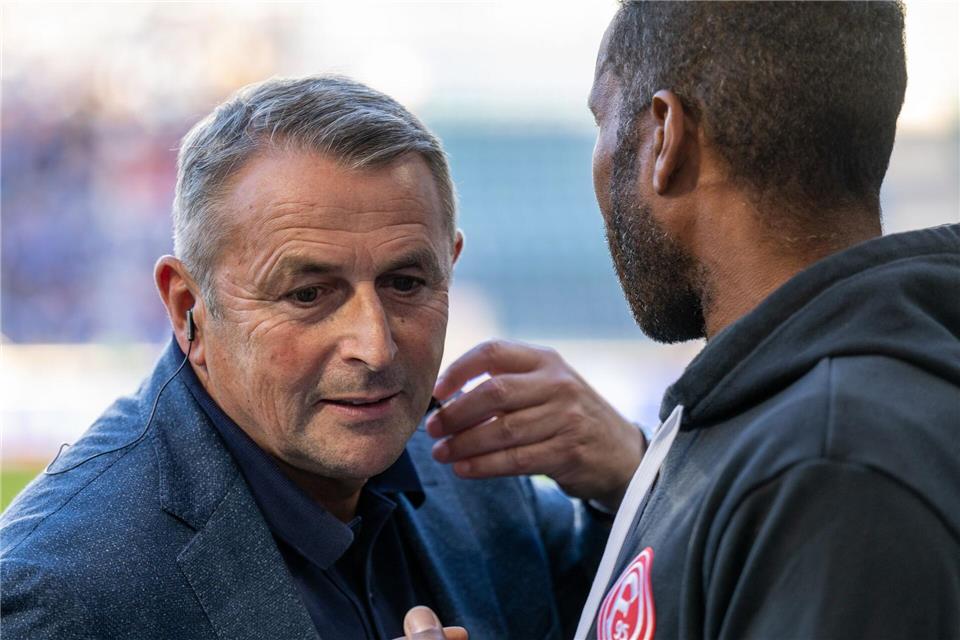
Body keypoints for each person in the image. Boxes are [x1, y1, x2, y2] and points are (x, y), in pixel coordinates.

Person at [0, 76, 645, 640]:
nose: (375, 346)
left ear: (451, 266)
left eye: (406, 284)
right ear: (186, 307)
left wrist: (632, 478)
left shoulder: (476, 474)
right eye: (308, 294)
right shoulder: (57, 589)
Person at [413, 2, 960, 639]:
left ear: (665, 136)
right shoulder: (791, 416)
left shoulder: (831, 467)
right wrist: (640, 475)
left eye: (602, 120)